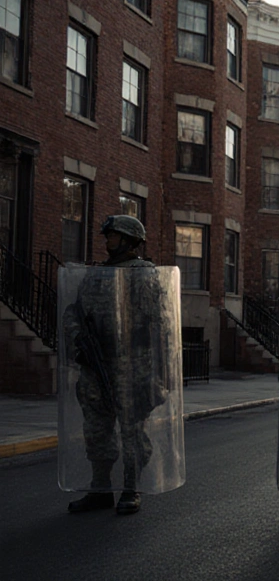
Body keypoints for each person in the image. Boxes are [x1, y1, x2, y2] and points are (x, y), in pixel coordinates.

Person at [63, 215, 167, 515]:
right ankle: (100, 489)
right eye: (107, 236)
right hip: (95, 366)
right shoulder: (95, 274)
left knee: (132, 430)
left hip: (130, 366)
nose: (107, 241)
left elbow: (154, 320)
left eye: (113, 236)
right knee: (96, 429)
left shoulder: (143, 273)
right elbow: (74, 312)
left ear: (130, 241)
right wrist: (78, 340)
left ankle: (131, 488)